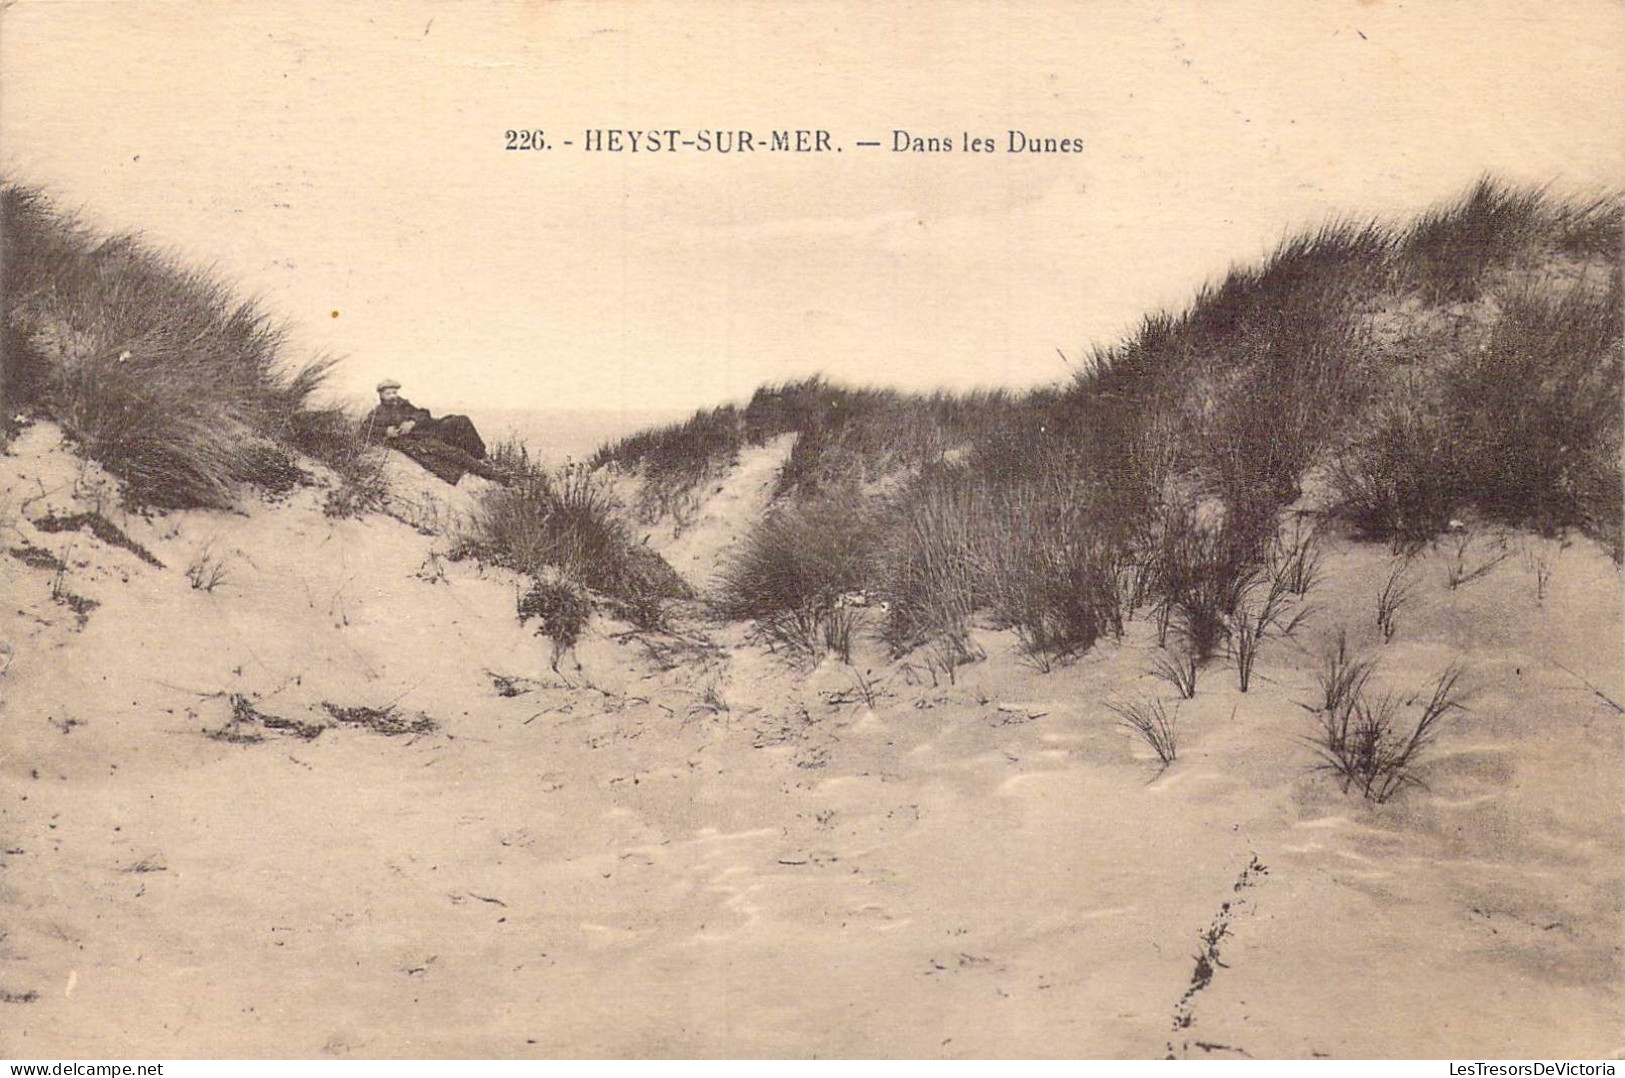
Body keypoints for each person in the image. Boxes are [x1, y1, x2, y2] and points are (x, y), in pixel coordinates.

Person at [364, 379, 499, 484]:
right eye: (388, 393)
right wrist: (386, 431)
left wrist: (412, 422)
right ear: (381, 395)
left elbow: (422, 413)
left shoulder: (404, 405)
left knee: (461, 420)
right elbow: (365, 429)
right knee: (453, 452)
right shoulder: (378, 413)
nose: (393, 396)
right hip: (421, 439)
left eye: (394, 392)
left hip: (432, 429)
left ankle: (481, 455)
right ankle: (487, 470)